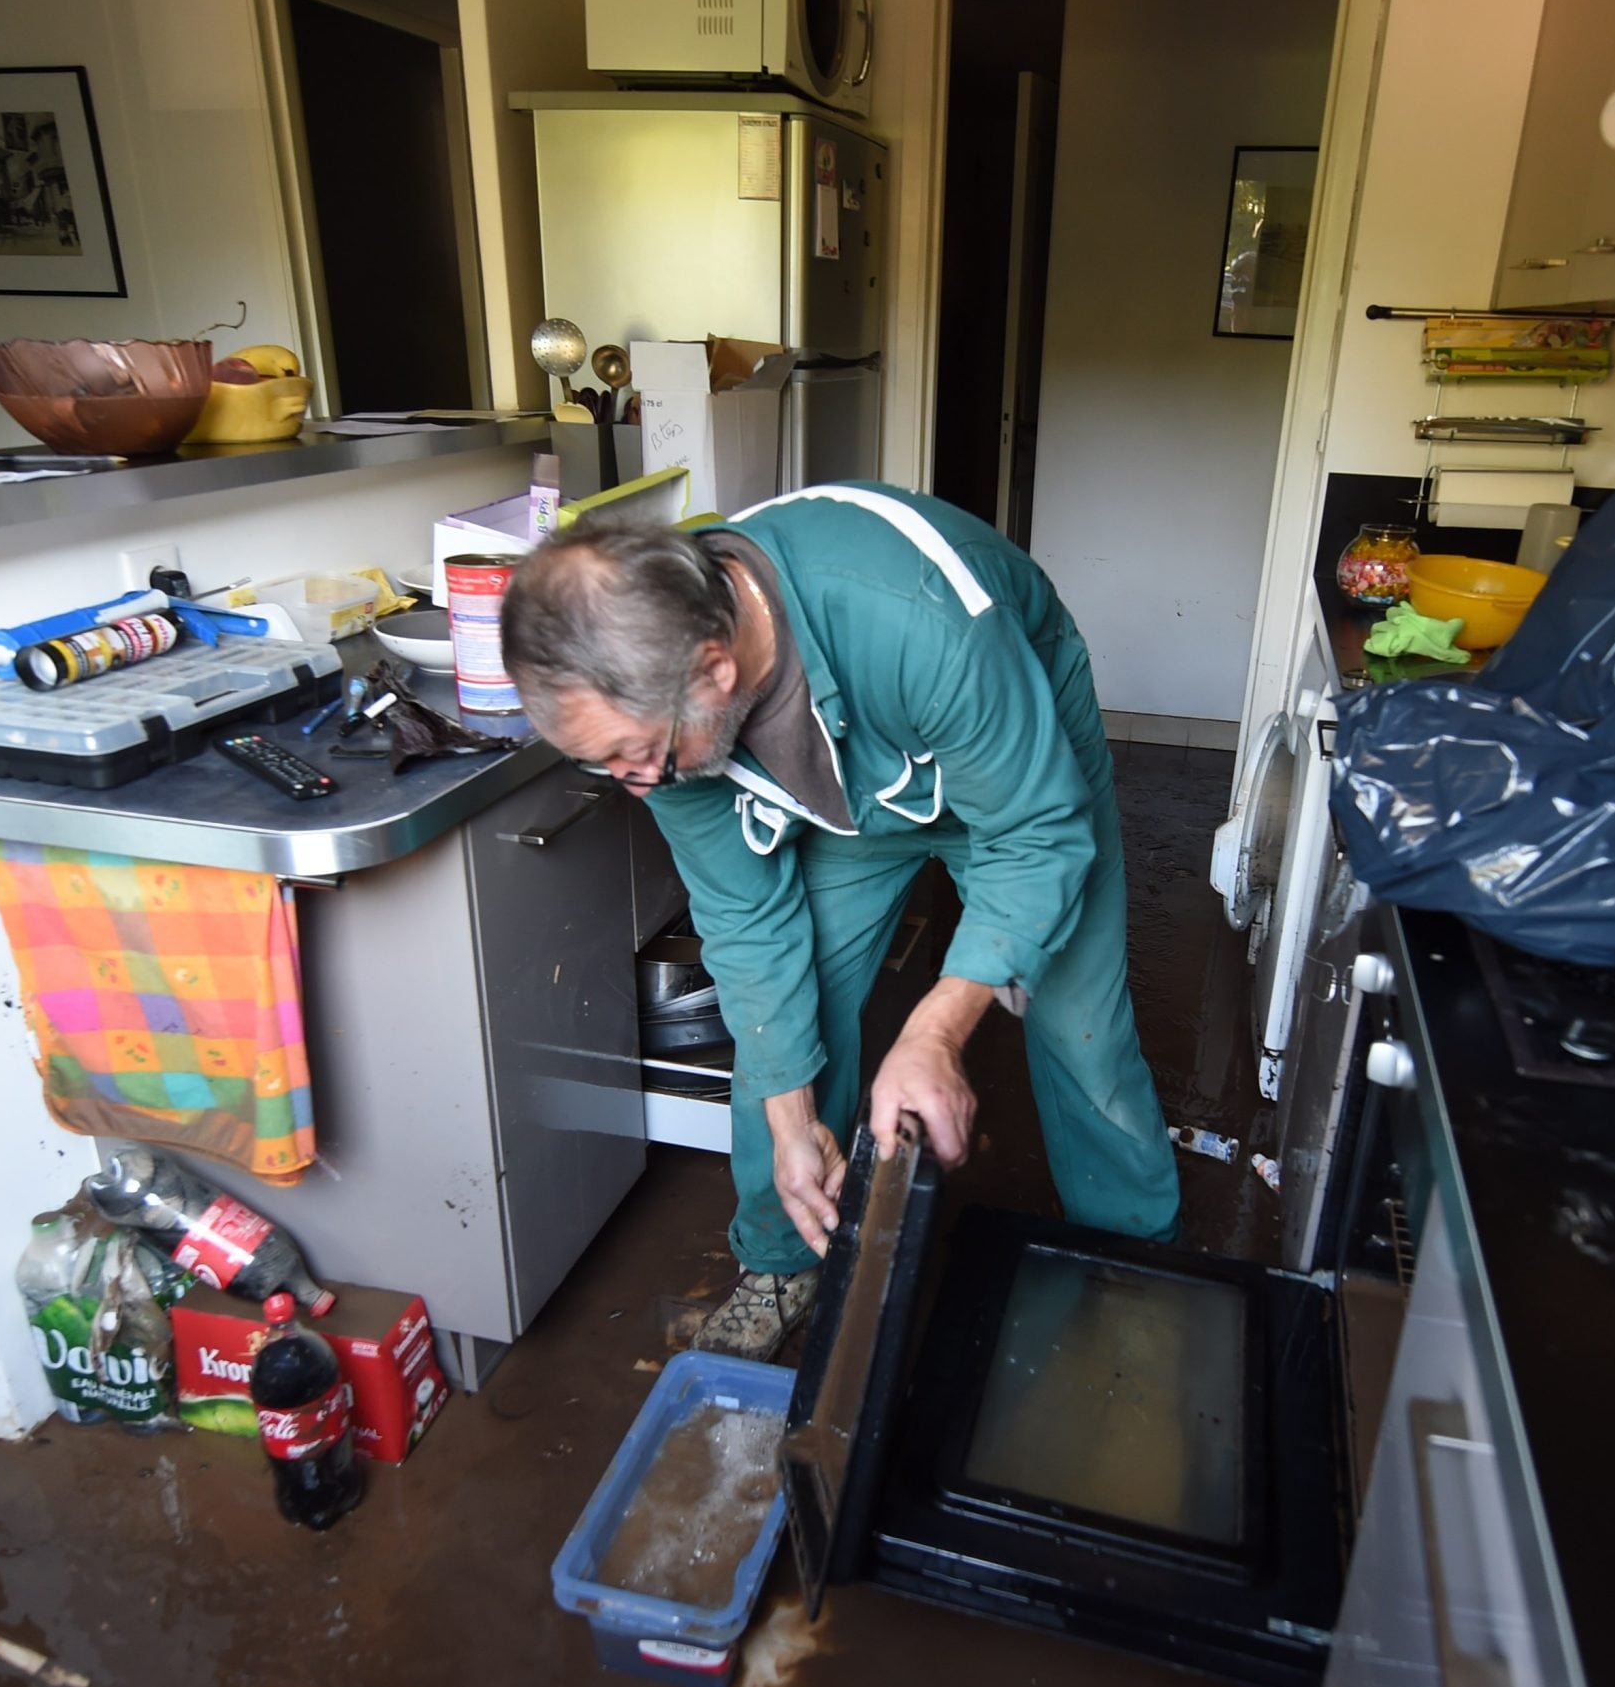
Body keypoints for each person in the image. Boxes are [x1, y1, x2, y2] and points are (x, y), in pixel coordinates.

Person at [500, 482, 1178, 1359]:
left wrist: (934, 1032)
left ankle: (1131, 1257)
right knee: (787, 1016)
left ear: (715, 671)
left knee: (1079, 1024)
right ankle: (785, 1255)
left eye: (635, 757)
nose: (635, 783)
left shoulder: (919, 622)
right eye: (606, 766)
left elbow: (1037, 836)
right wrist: (791, 1119)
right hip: (845, 790)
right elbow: (744, 922)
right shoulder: (662, 716)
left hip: (1011, 770)